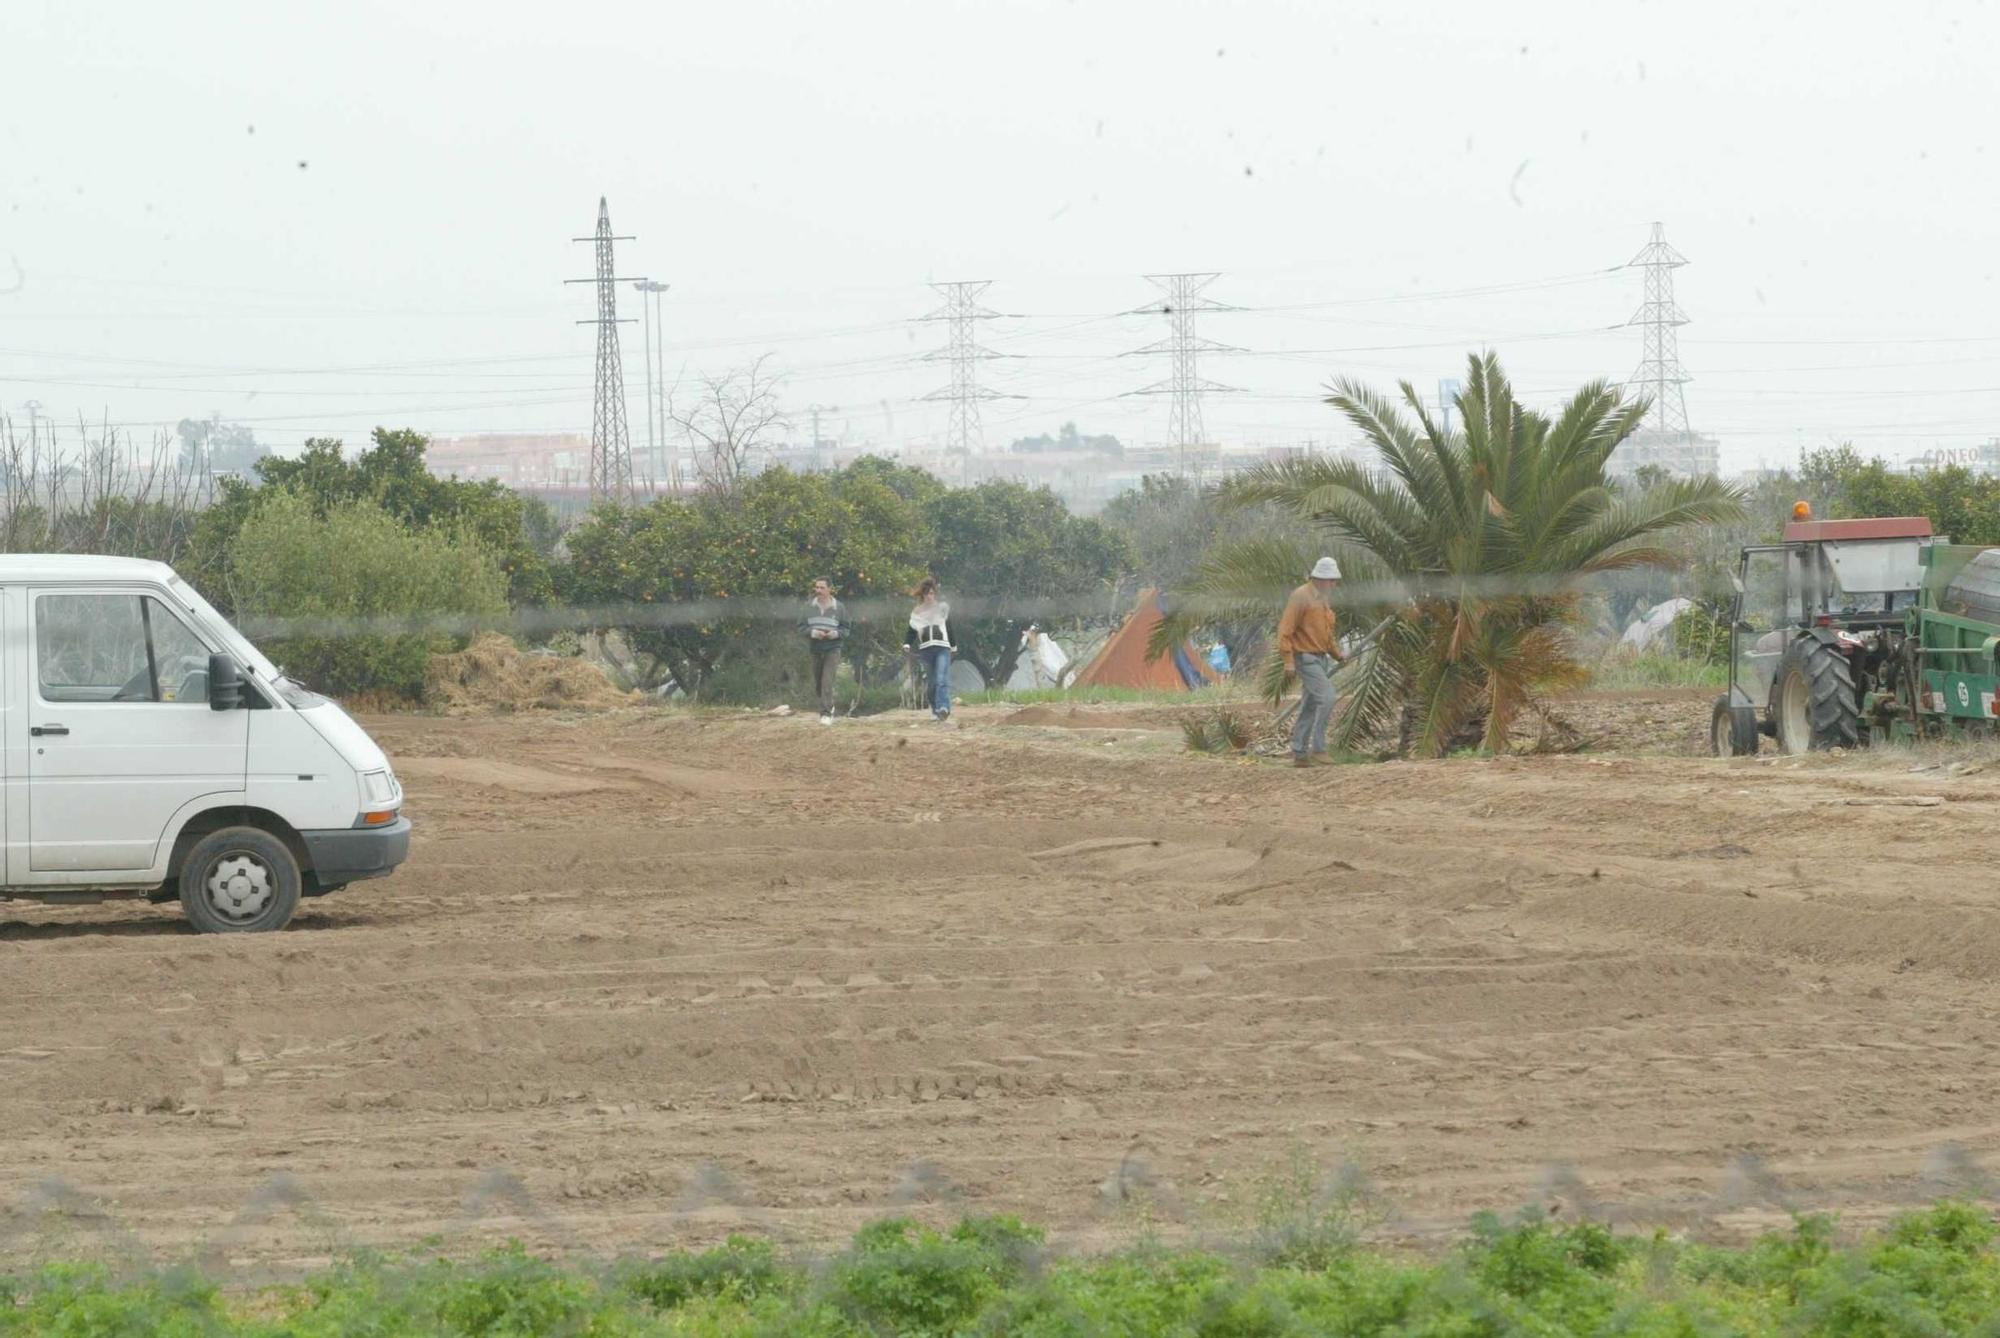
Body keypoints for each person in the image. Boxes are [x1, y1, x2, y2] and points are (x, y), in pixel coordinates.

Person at [1278, 556, 1346, 767]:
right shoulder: (1301, 596)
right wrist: (1288, 660)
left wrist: (1337, 655)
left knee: (1308, 705)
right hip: (1305, 659)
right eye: (1331, 580)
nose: (1334, 585)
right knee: (1327, 697)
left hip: (1320, 658)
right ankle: (1318, 748)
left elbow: (1326, 634)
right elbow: (1285, 630)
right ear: (1320, 578)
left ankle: (1299, 753)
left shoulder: (1322, 599)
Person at [904, 577, 958, 721]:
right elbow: (911, 630)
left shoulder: (942, 608)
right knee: (932, 683)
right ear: (923, 595)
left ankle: (943, 708)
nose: (930, 596)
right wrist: (907, 644)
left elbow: (949, 627)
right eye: (927, 593)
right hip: (926, 650)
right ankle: (935, 710)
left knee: (941, 679)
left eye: (932, 593)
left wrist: (953, 645)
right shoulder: (917, 612)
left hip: (942, 648)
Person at [799, 577, 849, 725]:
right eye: (817, 587)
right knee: (818, 683)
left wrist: (834, 634)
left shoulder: (839, 607)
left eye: (822, 588)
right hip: (815, 648)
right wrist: (813, 633)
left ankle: (826, 714)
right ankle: (830, 705)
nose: (818, 590)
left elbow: (846, 629)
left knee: (827, 681)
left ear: (829, 589)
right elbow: (800, 627)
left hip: (833, 649)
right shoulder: (808, 607)